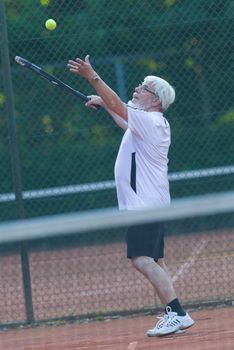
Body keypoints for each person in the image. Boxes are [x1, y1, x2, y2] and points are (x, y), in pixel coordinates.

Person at [67, 55, 195, 336]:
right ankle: (174, 313)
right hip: (152, 204)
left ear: (155, 100)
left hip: (145, 205)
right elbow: (122, 118)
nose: (137, 88)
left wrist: (93, 77)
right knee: (156, 260)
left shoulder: (151, 121)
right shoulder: (148, 122)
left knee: (140, 259)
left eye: (143, 88)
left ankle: (178, 313)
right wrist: (103, 103)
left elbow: (119, 106)